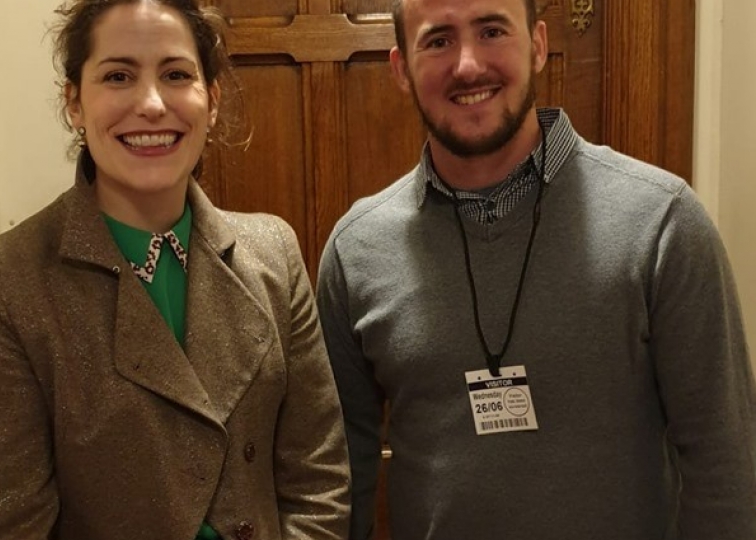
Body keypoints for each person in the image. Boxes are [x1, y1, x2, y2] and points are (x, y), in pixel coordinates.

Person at [316, 0, 756, 538]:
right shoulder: (355, 250)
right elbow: (339, 483)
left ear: (539, 45)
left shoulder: (662, 223)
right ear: (401, 69)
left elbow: (727, 468)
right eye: (438, 40)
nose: (468, 65)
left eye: (492, 30)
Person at [0, 1, 350, 539]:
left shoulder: (273, 250)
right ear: (74, 103)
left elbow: (319, 478)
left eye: (176, 74)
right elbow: (16, 526)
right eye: (118, 75)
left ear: (213, 100)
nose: (152, 104)